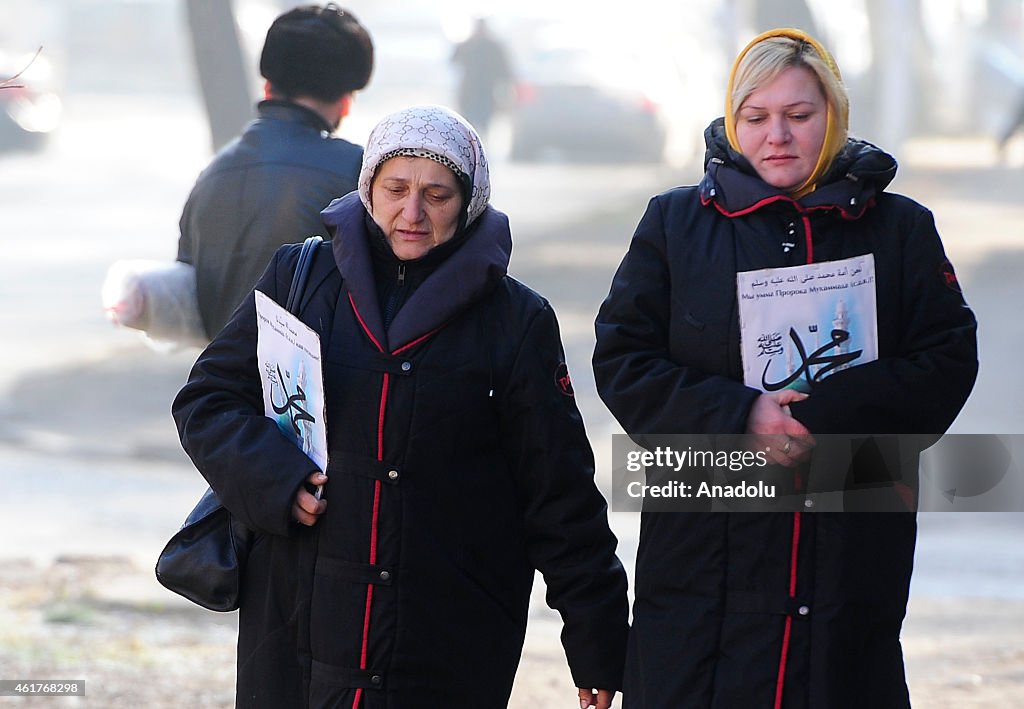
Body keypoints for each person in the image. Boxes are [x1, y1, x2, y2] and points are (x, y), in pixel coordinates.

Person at [172, 105, 628, 709]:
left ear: (468, 202)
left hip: (447, 633)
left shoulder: (516, 322)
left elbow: (558, 490)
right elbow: (208, 401)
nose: (411, 213)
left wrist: (596, 640)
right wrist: (275, 480)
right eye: (396, 189)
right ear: (367, 189)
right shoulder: (301, 279)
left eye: (436, 195)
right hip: (299, 615)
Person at [593, 28, 978, 709]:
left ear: (833, 114)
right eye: (756, 117)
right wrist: (740, 413)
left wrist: (824, 416)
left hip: (847, 546)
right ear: (731, 121)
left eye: (799, 115)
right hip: (702, 553)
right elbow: (623, 359)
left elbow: (947, 359)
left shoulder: (900, 228)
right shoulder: (674, 224)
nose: (778, 135)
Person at [176, 4, 373, 339]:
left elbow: (186, 287)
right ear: (346, 101)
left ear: (268, 88)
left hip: (221, 380)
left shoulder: (213, 172)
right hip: (316, 386)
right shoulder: (358, 172)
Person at [450, 18, 513, 138]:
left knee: (483, 125)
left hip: (486, 93)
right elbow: (454, 60)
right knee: (467, 126)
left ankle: (479, 149)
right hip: (469, 93)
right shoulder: (468, 45)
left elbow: (505, 71)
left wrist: (505, 91)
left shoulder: (493, 47)